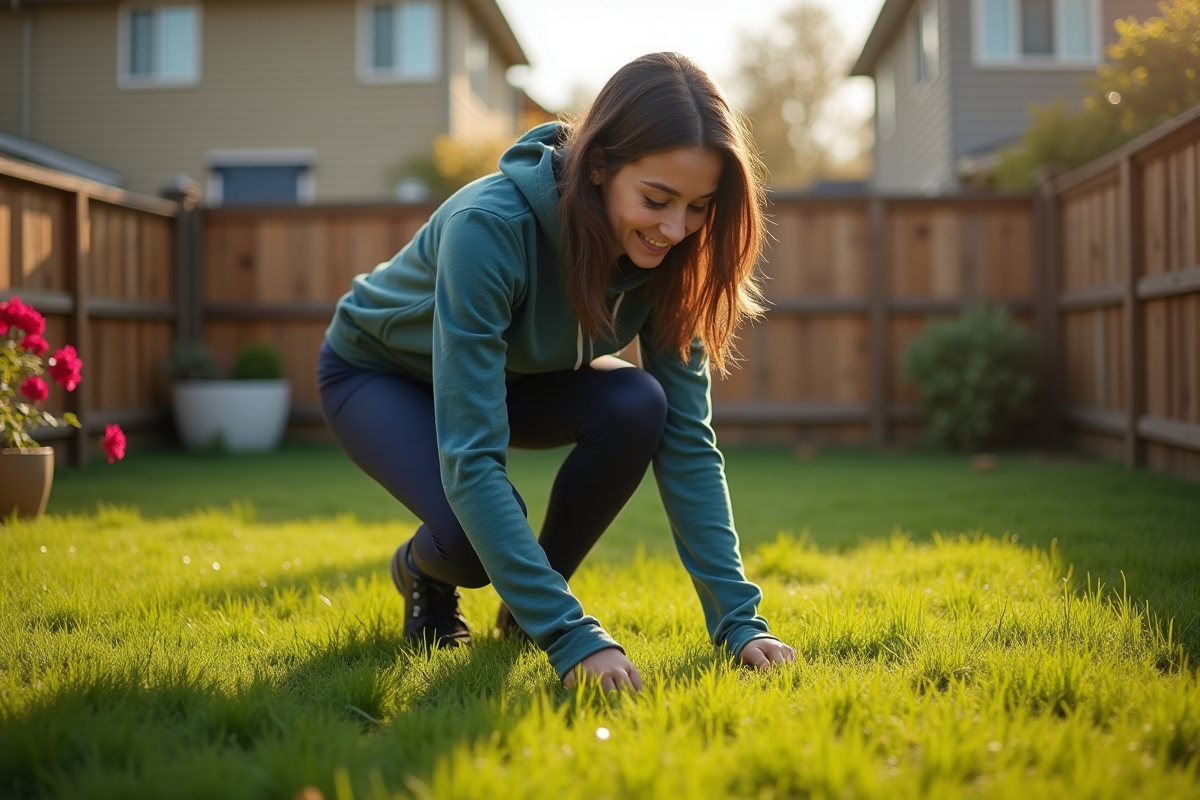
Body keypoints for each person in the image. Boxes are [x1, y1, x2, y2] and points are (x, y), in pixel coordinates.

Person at [318, 52, 796, 692]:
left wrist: (742, 623)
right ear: (598, 165)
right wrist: (573, 638)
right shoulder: (490, 226)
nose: (676, 228)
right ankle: (424, 574)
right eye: (657, 199)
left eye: (699, 206)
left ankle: (526, 611)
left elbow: (689, 441)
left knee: (636, 404)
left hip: (517, 379)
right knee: (468, 534)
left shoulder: (670, 257)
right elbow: (471, 457)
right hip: (379, 373)